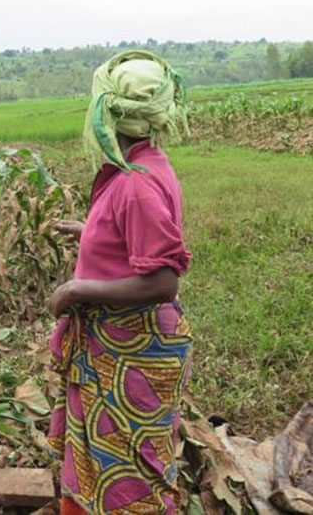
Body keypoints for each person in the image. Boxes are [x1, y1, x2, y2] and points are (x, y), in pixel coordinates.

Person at [47, 50, 192, 514]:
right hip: (115, 349)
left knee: (129, 478)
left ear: (107, 112)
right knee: (97, 465)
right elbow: (131, 233)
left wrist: (76, 290)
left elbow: (163, 281)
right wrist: (90, 229)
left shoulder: (135, 184)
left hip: (129, 353)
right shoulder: (145, 163)